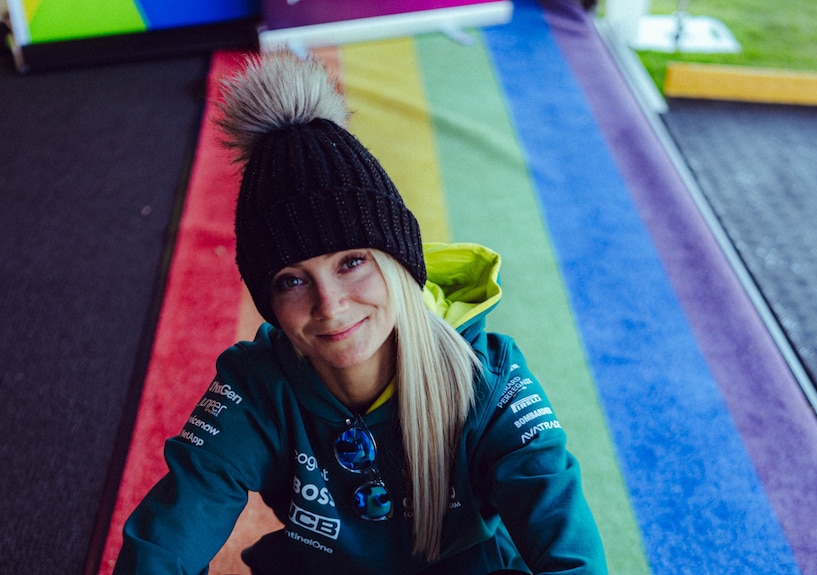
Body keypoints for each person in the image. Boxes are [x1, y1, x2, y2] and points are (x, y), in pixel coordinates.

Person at [115, 52, 607, 575]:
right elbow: (166, 540)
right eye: (292, 280)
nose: (330, 305)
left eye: (352, 262)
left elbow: (566, 544)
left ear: (399, 263)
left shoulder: (488, 378)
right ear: (271, 304)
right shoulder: (257, 388)